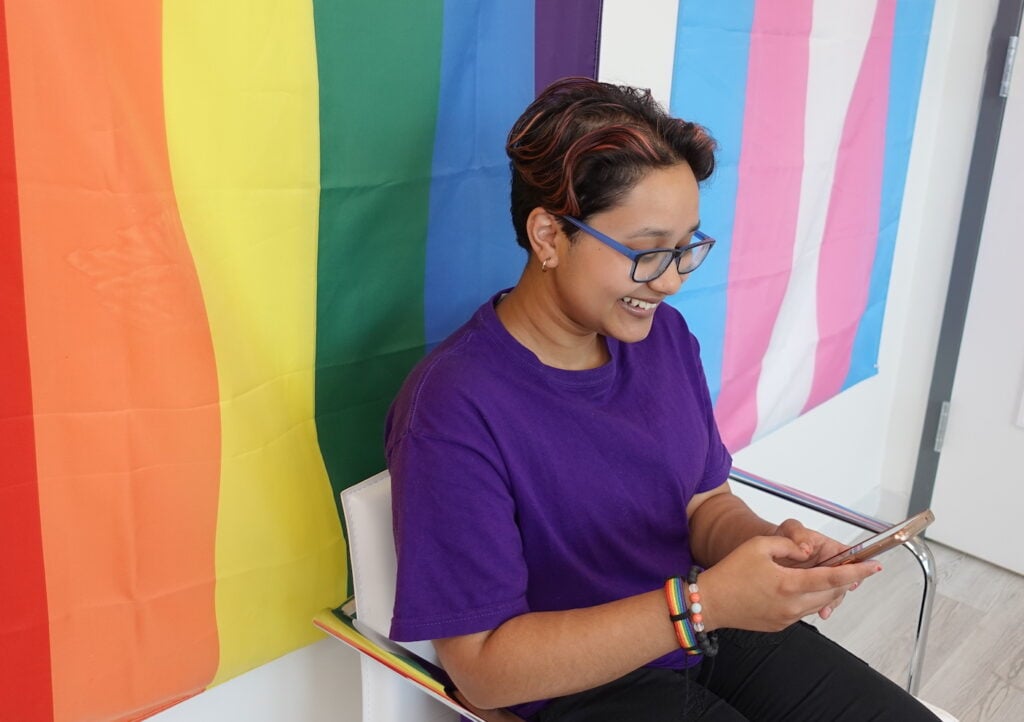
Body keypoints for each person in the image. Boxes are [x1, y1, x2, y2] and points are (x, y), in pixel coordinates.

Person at [384, 77, 939, 721]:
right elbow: (483, 671)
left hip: (702, 628)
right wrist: (702, 605)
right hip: (583, 683)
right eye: (647, 253)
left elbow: (704, 503)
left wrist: (766, 549)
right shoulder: (453, 408)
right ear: (549, 236)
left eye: (685, 248)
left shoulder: (663, 339)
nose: (672, 281)